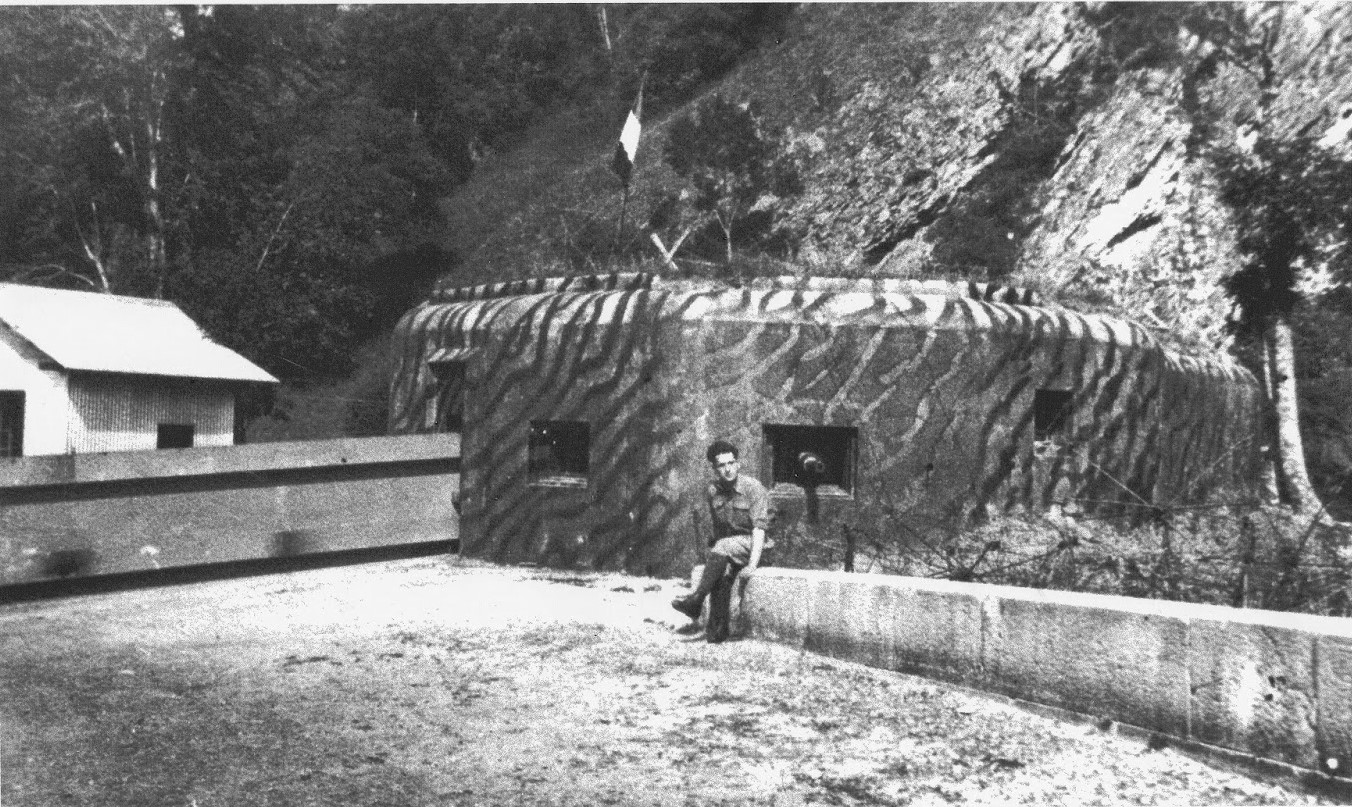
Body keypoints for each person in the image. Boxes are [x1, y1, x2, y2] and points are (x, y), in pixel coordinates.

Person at [671, 439, 770, 643]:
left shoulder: (753, 488)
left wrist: (752, 565)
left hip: (756, 544)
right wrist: (716, 556)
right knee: (721, 572)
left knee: (723, 546)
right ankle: (719, 628)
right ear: (715, 469)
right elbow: (718, 529)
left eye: (731, 463)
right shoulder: (713, 491)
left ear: (738, 464)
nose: (728, 469)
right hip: (730, 546)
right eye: (722, 465)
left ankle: (696, 600)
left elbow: (759, 529)